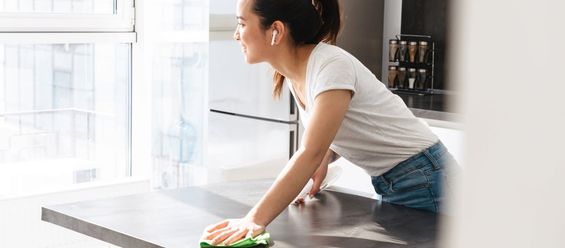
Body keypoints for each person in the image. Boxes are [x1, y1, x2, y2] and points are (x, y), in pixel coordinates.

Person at [202, 0, 459, 245]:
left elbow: (309, 152)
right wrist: (326, 155)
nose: (236, 35)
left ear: (276, 31)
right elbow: (336, 133)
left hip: (424, 178)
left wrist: (253, 220)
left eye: (242, 23)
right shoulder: (295, 74)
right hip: (400, 179)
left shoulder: (330, 65)